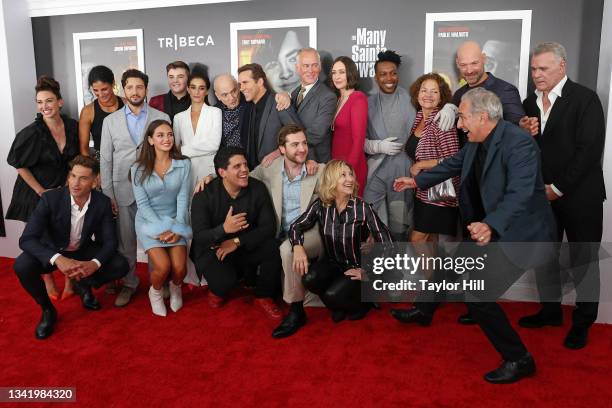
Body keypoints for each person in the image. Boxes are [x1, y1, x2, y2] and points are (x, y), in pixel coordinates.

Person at [392, 88, 557, 384]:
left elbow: (519, 195)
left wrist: (491, 225)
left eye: (462, 118)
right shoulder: (476, 140)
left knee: (478, 296)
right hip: (485, 227)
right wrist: (415, 181)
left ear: (482, 117)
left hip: (517, 233)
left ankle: (519, 359)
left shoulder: (519, 144)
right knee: (451, 268)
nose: (458, 125)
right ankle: (424, 309)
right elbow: (451, 164)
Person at [519, 42, 605, 350]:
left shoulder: (585, 99)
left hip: (582, 196)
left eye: (543, 68)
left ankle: (583, 323)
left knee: (584, 258)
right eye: (533, 69)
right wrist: (523, 131)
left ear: (562, 67)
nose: (537, 74)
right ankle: (550, 312)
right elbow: (531, 150)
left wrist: (557, 189)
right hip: (542, 196)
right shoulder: (529, 104)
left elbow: (589, 151)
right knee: (545, 256)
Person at [13, 155, 129, 339]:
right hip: (52, 250)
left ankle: (83, 284)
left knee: (120, 265)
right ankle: (48, 310)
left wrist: (94, 264)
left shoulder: (102, 202)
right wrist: (59, 259)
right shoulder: (50, 198)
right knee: (22, 266)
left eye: (83, 178)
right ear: (68, 177)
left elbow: (109, 242)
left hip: (82, 250)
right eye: (73, 176)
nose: (76, 183)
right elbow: (26, 239)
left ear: (94, 181)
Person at [289, 160, 393, 322]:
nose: (350, 179)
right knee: (309, 279)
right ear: (331, 179)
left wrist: (368, 271)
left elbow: (388, 242)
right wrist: (297, 246)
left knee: (332, 296)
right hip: (334, 264)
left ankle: (362, 303)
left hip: (357, 268)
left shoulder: (363, 208)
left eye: (351, 174)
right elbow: (296, 226)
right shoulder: (322, 205)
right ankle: (338, 303)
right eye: (343, 175)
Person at [100, 69, 171, 307]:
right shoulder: (110, 122)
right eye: (130, 87)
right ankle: (130, 284)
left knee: (155, 241)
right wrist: (108, 195)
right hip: (122, 191)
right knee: (126, 243)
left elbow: (166, 155)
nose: (135, 92)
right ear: (123, 90)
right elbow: (106, 160)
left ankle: (157, 284)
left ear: (146, 90)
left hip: (153, 191)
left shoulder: (162, 117)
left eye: (139, 87)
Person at [7, 76, 79, 301]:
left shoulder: (72, 126)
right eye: (39, 102)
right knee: (39, 240)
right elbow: (19, 165)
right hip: (35, 191)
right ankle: (48, 281)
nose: (44, 107)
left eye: (49, 101)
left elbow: (76, 158)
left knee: (68, 234)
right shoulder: (31, 133)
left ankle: (70, 279)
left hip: (62, 190)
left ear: (60, 102)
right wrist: (40, 191)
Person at [190, 147, 283, 319]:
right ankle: (218, 289)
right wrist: (223, 230)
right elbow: (200, 236)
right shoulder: (204, 194)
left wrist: (236, 241)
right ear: (222, 172)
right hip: (214, 250)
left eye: (245, 165)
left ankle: (264, 295)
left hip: (244, 245)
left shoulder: (258, 188)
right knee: (225, 283)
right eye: (237, 166)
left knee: (274, 247)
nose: (245, 170)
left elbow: (268, 227)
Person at [131, 120, 192, 317]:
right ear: (150, 140)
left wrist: (176, 228)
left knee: (180, 269)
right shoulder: (138, 169)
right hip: (148, 223)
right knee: (163, 267)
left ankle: (175, 288)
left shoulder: (184, 164)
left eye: (169, 135)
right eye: (160, 135)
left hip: (176, 220)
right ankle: (155, 292)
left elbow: (183, 199)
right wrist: (161, 228)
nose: (166, 139)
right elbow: (143, 204)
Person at [405, 73, 459, 243]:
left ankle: (434, 270)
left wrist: (421, 164)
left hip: (438, 194)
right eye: (424, 90)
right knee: (430, 240)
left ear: (441, 96)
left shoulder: (443, 120)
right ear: (417, 93)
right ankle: (433, 271)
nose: (428, 95)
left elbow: (454, 160)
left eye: (434, 92)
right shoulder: (419, 118)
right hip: (422, 190)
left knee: (417, 239)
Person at [237, 63, 300, 169]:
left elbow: (298, 135)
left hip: (276, 170)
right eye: (240, 84)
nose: (241, 88)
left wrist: (279, 152)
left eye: (245, 83)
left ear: (260, 82)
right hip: (254, 173)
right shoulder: (249, 107)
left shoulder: (279, 102)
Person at [173, 71, 222, 189]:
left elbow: (214, 145)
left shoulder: (215, 112)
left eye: (201, 88)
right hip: (185, 171)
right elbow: (175, 149)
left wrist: (184, 150)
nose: (196, 92)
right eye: (193, 87)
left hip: (209, 173)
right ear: (188, 89)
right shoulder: (178, 117)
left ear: (206, 92)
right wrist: (180, 151)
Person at [288, 47, 336, 163]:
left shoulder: (328, 96)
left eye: (314, 65)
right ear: (297, 68)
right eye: (306, 66)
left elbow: (316, 134)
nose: (310, 70)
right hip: (294, 163)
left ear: (319, 67)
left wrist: (289, 145)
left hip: (317, 163)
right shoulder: (294, 93)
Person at [329, 56, 368, 197]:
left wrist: (347, 172)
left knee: (352, 213)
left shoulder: (358, 98)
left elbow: (359, 140)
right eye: (334, 73)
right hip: (336, 166)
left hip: (352, 167)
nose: (337, 77)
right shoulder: (338, 99)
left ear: (350, 73)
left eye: (341, 72)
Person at [78, 65, 125, 159]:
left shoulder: (127, 104)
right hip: (101, 162)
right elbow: (84, 149)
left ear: (113, 83)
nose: (100, 94)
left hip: (127, 159)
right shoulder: (88, 111)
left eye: (104, 89)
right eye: (95, 90)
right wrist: (92, 171)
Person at [213, 74, 247, 149]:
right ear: (218, 96)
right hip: (224, 157)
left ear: (238, 87)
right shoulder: (213, 112)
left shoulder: (251, 105)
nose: (231, 98)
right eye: (225, 95)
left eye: (234, 91)